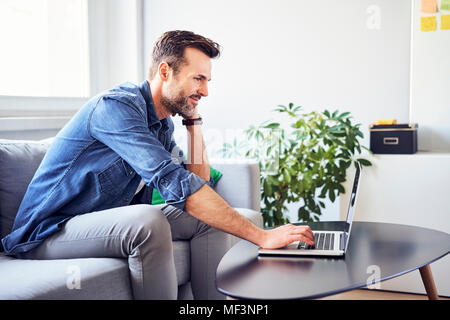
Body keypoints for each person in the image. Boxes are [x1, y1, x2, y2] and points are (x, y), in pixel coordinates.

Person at [1, 30, 314, 299]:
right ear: (165, 71)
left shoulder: (161, 124)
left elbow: (196, 182)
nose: (205, 90)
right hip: (46, 233)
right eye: (198, 79)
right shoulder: (116, 108)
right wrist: (262, 236)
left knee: (208, 218)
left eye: (207, 81)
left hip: (97, 223)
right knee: (149, 221)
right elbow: (174, 183)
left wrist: (194, 121)